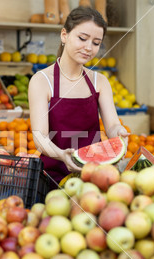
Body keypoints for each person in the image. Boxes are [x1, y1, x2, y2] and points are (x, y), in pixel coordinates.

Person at [28, 6, 129, 187]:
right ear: (64, 35)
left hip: (93, 176)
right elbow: (40, 136)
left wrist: (118, 133)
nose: (88, 48)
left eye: (96, 43)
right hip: (52, 178)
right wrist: (62, 155)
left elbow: (112, 125)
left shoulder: (100, 82)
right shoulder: (41, 81)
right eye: (82, 38)